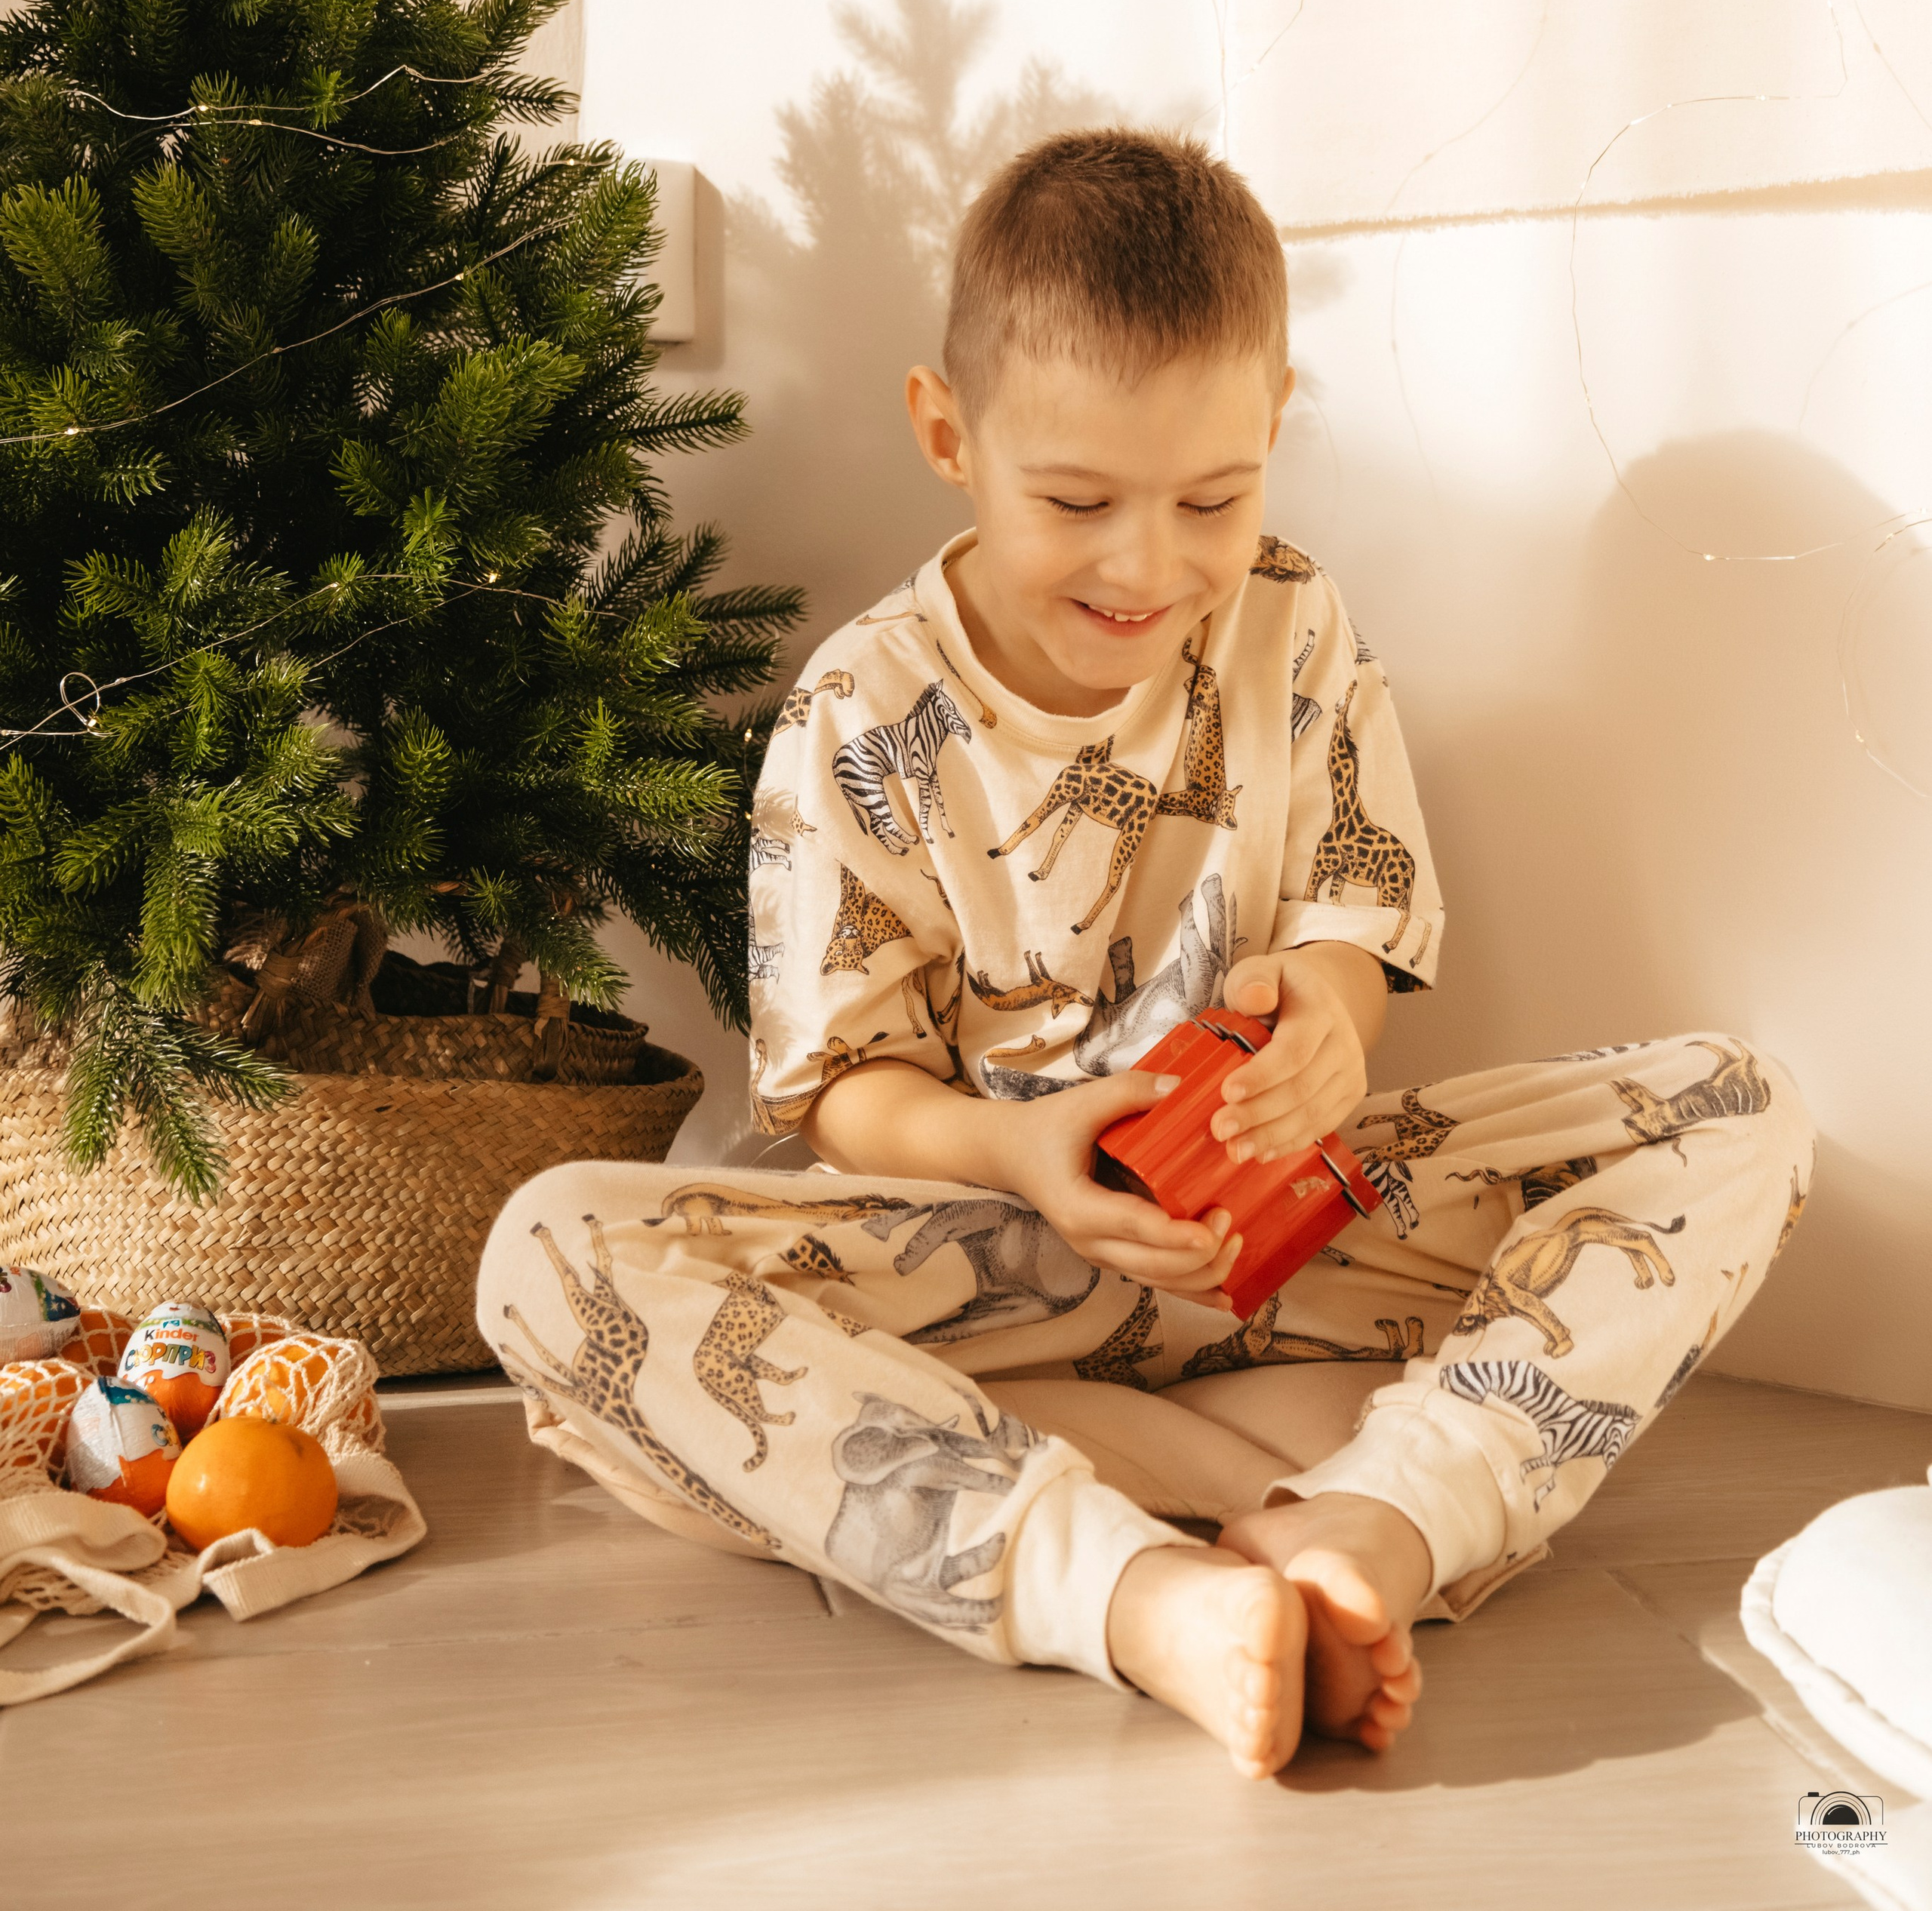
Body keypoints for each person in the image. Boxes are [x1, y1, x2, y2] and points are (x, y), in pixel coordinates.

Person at [478, 128, 1813, 1779]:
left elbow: (1351, 917)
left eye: (1211, 497)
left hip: (1296, 1252)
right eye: (1075, 501)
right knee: (552, 1250)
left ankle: (1375, 1523)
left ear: (1273, 425)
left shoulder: (1292, 620)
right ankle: (1129, 1586)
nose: (1148, 566)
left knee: (1734, 1104)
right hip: (985, 1270)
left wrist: (1328, 1011)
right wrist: (1017, 1151)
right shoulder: (857, 712)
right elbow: (842, 1093)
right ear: (946, 432)